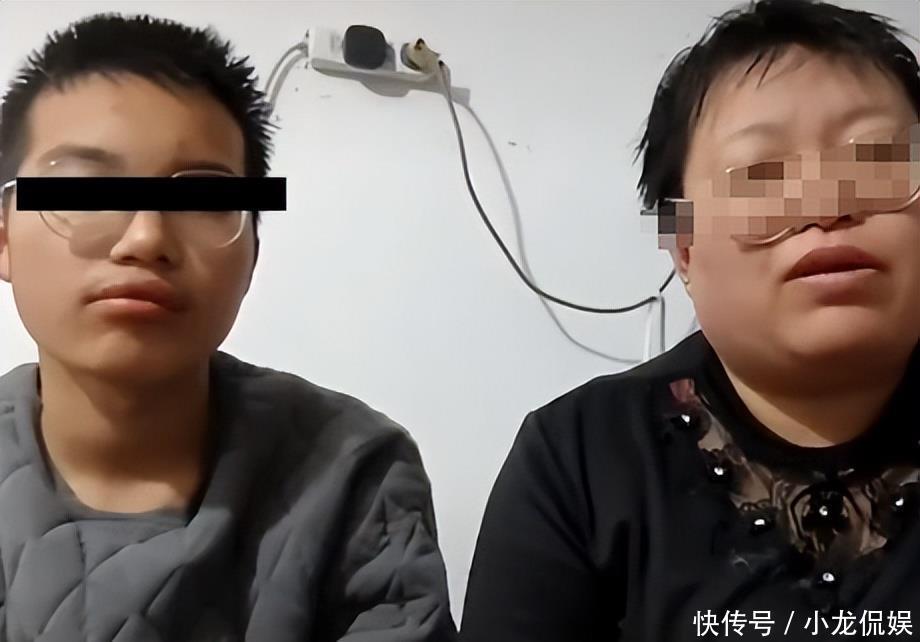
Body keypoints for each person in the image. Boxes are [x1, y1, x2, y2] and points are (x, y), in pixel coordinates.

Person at [460, 1, 920, 640]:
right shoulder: (580, 458)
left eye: (875, 160)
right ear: (683, 248)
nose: (828, 204)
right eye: (761, 178)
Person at [0, 13, 456, 641]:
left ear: (252, 256)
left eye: (204, 201)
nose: (146, 237)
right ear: (4, 237)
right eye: (84, 190)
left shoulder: (353, 473)